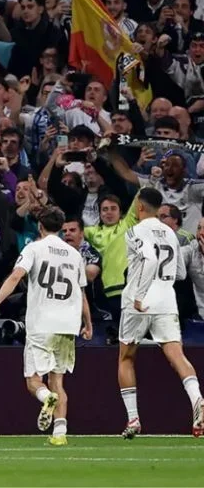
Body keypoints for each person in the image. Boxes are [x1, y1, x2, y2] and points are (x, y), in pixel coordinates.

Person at [0, 208, 92, 446]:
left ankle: (46, 398)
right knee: (58, 380)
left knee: (34, 381)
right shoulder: (74, 255)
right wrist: (88, 323)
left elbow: (14, 277)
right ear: (62, 227)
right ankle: (60, 434)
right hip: (68, 325)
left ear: (40, 227)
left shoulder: (34, 248)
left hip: (42, 324)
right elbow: (81, 293)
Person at [117, 188, 203, 439]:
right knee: (177, 355)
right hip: (166, 299)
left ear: (140, 207)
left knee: (126, 357)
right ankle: (197, 398)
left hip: (138, 301)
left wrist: (141, 294)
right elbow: (180, 274)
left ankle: (133, 419)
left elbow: (149, 259)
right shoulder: (170, 233)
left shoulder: (135, 230)